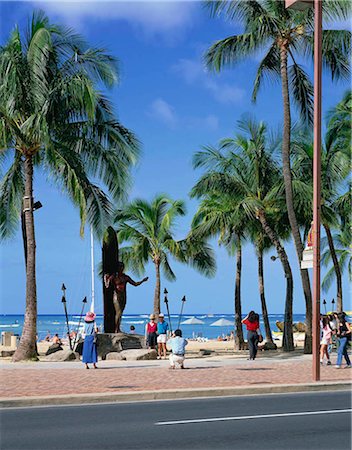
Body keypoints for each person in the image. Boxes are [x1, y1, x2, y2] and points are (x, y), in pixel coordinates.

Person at [104, 262, 148, 333]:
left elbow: (135, 284)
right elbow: (107, 286)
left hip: (123, 296)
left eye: (122, 267)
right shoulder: (114, 277)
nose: (121, 269)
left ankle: (118, 328)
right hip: (116, 296)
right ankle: (116, 329)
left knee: (120, 313)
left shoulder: (125, 277)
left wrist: (143, 281)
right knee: (118, 312)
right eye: (119, 267)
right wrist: (106, 279)